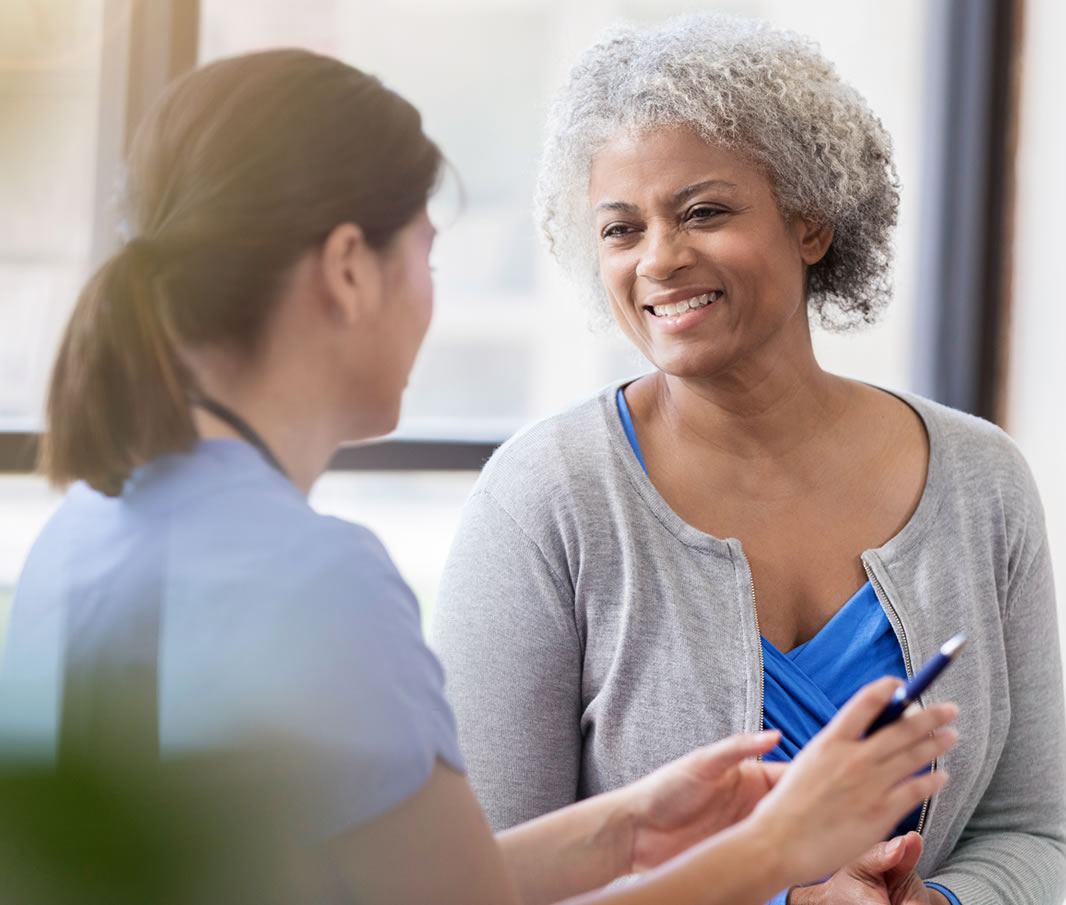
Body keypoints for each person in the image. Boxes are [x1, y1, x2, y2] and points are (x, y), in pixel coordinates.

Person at [0, 47, 956, 905]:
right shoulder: (310, 579)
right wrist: (776, 850)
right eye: (426, 254)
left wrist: (625, 828)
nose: (430, 298)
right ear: (347, 269)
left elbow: (416, 881)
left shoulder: (89, 528)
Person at [429, 12, 1066, 905]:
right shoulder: (545, 500)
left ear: (810, 220)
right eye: (621, 229)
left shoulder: (982, 481)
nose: (659, 258)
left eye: (703, 211)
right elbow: (474, 881)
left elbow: (1037, 832)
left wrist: (936, 903)